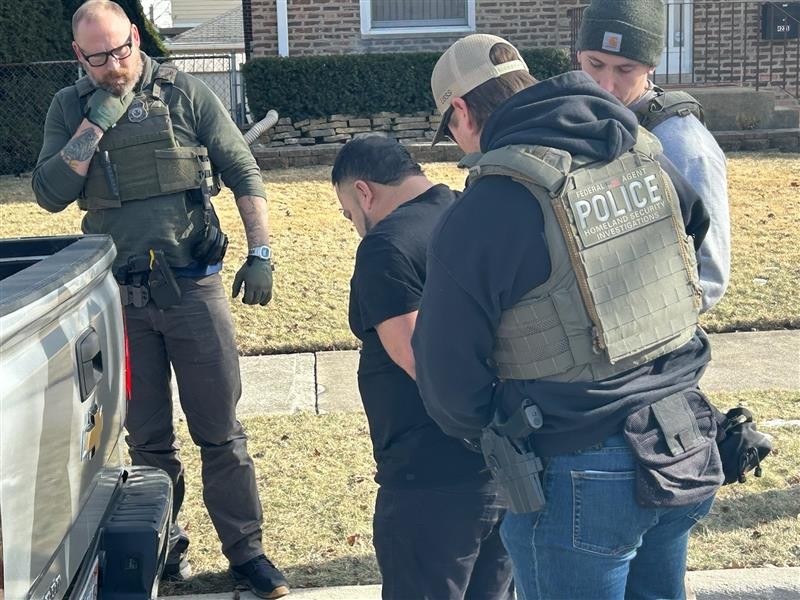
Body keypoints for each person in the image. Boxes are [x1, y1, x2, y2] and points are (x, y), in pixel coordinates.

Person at [413, 34, 722, 599]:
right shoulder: (638, 149)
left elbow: (447, 375)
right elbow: (691, 234)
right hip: (682, 437)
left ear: (461, 110)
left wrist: (493, 421)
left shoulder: (488, 206)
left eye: (450, 129)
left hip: (577, 462)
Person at [31, 2, 287, 597]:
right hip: (122, 300)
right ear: (79, 56)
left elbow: (242, 169)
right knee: (147, 441)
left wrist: (261, 251)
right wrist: (95, 124)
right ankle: (164, 543)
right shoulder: (69, 107)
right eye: (99, 57)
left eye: (123, 49)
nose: (116, 65)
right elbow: (48, 193)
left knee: (221, 433)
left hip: (192, 289)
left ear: (136, 36)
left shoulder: (185, 93)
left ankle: (247, 552)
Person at [331, 136, 514, 600]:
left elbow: (423, 363)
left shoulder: (385, 247)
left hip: (430, 476)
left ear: (364, 192)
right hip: (507, 463)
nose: (354, 225)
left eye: (349, 213)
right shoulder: (470, 212)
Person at [577, 0, 730, 312]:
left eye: (625, 69)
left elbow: (708, 278)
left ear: (650, 66)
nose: (606, 85)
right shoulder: (577, 119)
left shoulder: (686, 149)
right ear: (579, 54)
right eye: (595, 64)